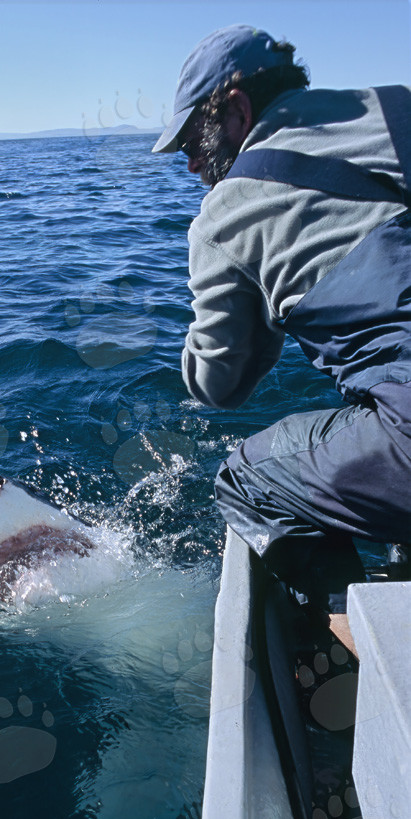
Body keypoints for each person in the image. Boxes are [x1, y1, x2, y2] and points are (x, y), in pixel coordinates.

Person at [153, 24, 411, 654]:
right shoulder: (397, 106)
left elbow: (220, 386)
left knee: (247, 481)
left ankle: (369, 662)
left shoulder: (224, 215)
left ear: (237, 109)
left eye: (194, 139)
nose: (191, 163)